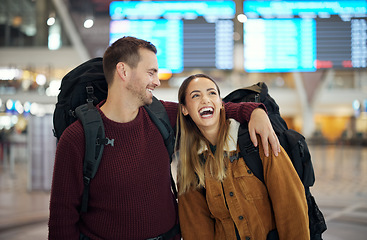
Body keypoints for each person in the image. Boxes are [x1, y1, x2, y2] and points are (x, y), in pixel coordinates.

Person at [48, 37, 280, 240]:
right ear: (123, 71)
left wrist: (254, 111)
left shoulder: (161, 116)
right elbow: (62, 220)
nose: (157, 82)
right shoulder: (77, 138)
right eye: (151, 72)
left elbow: (209, 109)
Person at [176, 74, 310, 240]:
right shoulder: (191, 164)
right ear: (184, 109)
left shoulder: (258, 140)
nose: (205, 100)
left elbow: (291, 208)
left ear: (221, 104)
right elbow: (196, 229)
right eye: (196, 95)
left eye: (212, 93)